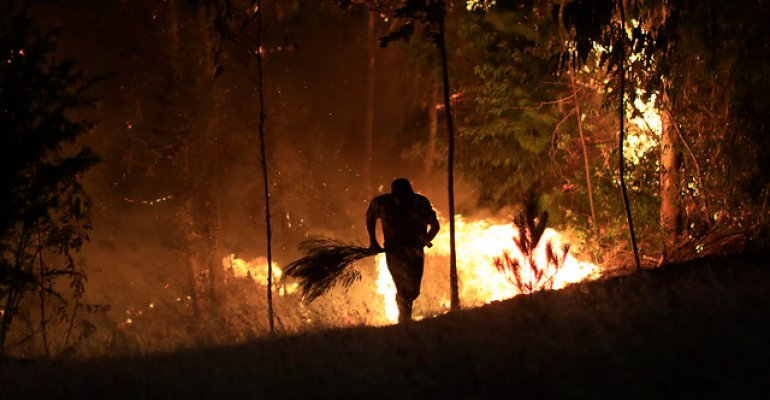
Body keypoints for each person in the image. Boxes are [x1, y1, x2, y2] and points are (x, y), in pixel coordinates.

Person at [366, 178, 440, 323]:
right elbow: (369, 217)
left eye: (404, 197)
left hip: (415, 252)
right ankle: (404, 319)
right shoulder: (383, 203)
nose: (401, 201)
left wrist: (425, 239)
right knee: (402, 287)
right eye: (398, 197)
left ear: (410, 194)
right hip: (394, 252)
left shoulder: (420, 203)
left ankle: (405, 316)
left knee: (413, 290)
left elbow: (435, 226)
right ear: (393, 195)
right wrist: (373, 241)